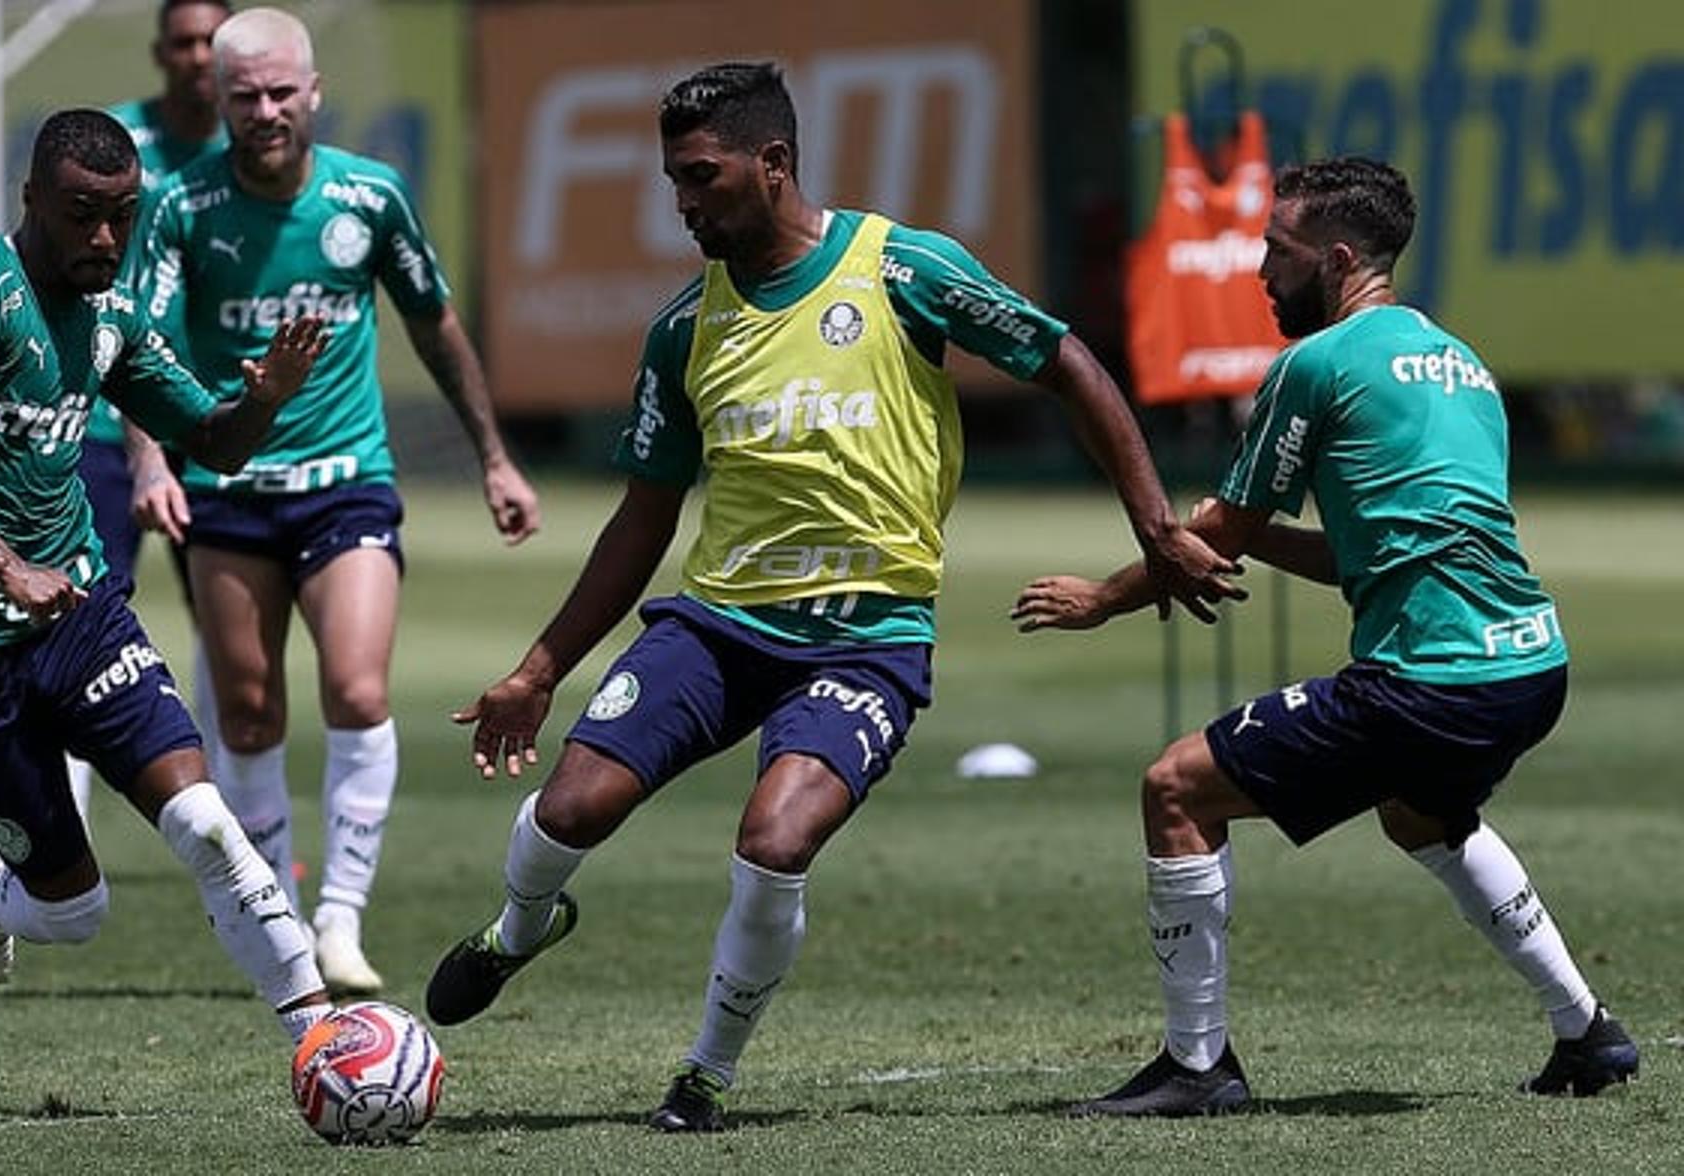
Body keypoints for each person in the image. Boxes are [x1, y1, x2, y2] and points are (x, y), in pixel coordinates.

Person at [422, 61, 1239, 1133]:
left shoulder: (902, 268)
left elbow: (1067, 362)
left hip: (866, 641)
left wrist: (1153, 525)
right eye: (673, 178)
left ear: (774, 164)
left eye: (702, 176)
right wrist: (538, 670)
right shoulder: (683, 331)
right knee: (571, 811)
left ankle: (702, 1079)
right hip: (717, 624)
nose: (684, 202)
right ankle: (521, 927)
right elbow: (643, 518)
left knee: (774, 841)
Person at [1012, 156, 1640, 1116]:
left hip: (1431, 677)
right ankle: (1586, 1032)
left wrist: (1104, 596)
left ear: (1339, 259)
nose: (1261, 271)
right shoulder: (1461, 363)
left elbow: (1218, 532)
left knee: (1176, 788)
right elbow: (1370, 551)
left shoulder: (1315, 365)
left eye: (1278, 251)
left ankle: (1196, 1068)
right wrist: (1245, 545)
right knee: (1419, 815)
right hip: (1530, 663)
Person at [0, 108, 334, 1046]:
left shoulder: (116, 316)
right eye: (83, 214)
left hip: (78, 618)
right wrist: (7, 566)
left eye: (123, 214)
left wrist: (264, 400)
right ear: (33, 198)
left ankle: (321, 1039)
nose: (106, 238)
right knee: (74, 914)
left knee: (205, 822)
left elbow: (213, 439)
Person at [136, 7, 541, 997]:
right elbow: (136, 350)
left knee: (358, 689)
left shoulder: (370, 195)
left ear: (313, 91)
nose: (266, 111)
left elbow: (434, 322)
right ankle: (274, 912)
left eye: (282, 93)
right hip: (226, 486)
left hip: (346, 481)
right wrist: (151, 464)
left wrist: (495, 455)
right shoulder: (180, 206)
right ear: (218, 102)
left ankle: (342, 918)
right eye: (246, 98)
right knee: (246, 708)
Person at [68, 0, 234, 829]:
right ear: (160, 52)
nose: (198, 56)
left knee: (231, 636)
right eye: (184, 42)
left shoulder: (255, 151)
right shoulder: (113, 150)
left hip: (209, 429)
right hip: (102, 428)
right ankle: (58, 834)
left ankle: (236, 824)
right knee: (69, 626)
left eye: (212, 41)